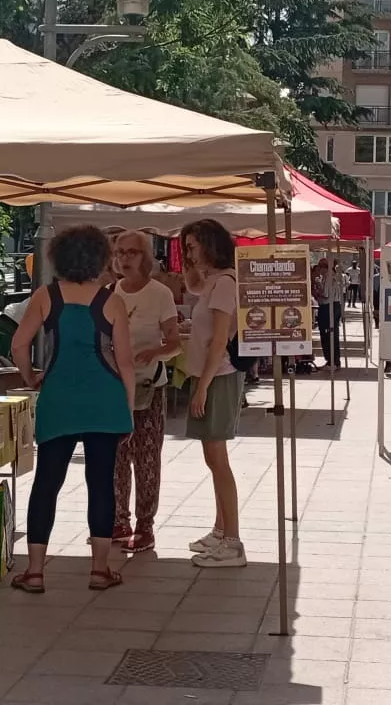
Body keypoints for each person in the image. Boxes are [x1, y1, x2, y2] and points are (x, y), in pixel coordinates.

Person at [8, 225, 136, 592]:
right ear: (99, 258)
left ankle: (34, 571)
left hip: (59, 397)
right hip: (105, 399)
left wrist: (31, 377)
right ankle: (99, 570)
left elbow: (19, 345)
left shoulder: (46, 297)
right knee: (101, 485)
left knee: (46, 483)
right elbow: (125, 362)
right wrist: (126, 408)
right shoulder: (112, 301)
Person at [179, 218, 248, 567]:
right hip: (210, 374)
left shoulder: (224, 284)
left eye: (192, 246)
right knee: (213, 459)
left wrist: (202, 387)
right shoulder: (213, 283)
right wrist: (190, 263)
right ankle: (221, 530)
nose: (188, 253)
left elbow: (220, 340)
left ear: (209, 245)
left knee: (218, 461)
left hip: (218, 375)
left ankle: (232, 540)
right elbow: (190, 285)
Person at [110, 231, 182, 553]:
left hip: (149, 386)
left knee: (147, 457)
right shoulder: (112, 293)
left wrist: (155, 353)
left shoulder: (160, 293)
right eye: (120, 252)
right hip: (115, 386)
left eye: (131, 253)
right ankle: (118, 519)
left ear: (145, 257)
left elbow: (175, 343)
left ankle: (145, 525)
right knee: (117, 456)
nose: (124, 258)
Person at [313, 258, 344, 368]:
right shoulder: (334, 276)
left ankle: (332, 359)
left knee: (327, 334)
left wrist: (316, 291)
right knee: (333, 333)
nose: (319, 270)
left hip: (328, 307)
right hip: (335, 306)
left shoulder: (328, 277)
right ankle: (334, 359)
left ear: (324, 267)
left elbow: (325, 294)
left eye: (320, 267)